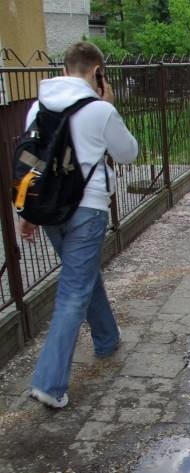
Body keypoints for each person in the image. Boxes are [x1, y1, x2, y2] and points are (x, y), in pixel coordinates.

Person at [20, 41, 138, 408]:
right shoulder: (98, 110)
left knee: (82, 276)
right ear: (97, 72)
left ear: (66, 67)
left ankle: (106, 339)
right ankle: (49, 383)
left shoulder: (36, 108)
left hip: (51, 208)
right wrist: (110, 106)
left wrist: (24, 214)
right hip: (88, 209)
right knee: (73, 290)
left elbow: (30, 163)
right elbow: (129, 152)